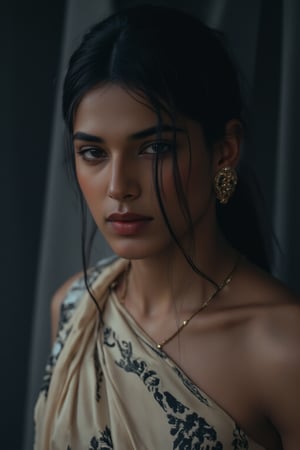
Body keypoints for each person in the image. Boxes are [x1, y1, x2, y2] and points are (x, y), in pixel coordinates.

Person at [34, 5, 300, 450]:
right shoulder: (72, 308)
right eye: (94, 153)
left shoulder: (282, 348)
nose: (119, 187)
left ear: (224, 150)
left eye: (154, 147)